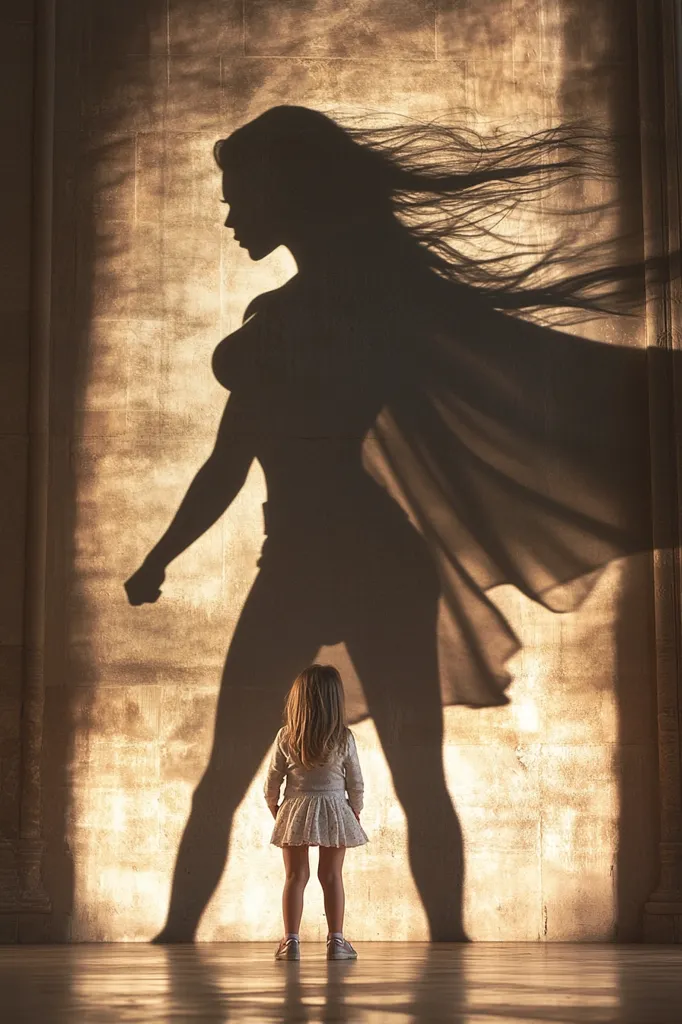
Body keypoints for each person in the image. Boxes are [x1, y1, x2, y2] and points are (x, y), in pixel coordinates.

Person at [124, 105, 662, 944]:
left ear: (283, 191)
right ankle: (186, 935)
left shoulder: (338, 317)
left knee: (355, 773)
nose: (228, 217)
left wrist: (160, 558)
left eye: (238, 196)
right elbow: (228, 463)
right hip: (325, 558)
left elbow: (230, 464)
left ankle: (432, 936)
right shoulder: (333, 313)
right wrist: (158, 558)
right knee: (299, 773)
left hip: (350, 560)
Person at [264, 664, 367, 961]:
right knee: (332, 876)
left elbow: (272, 780)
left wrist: (274, 806)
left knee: (295, 876)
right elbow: (356, 782)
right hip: (334, 808)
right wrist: (355, 810)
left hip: (296, 807)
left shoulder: (286, 737)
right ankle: (336, 941)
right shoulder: (344, 738)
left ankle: (290, 942)